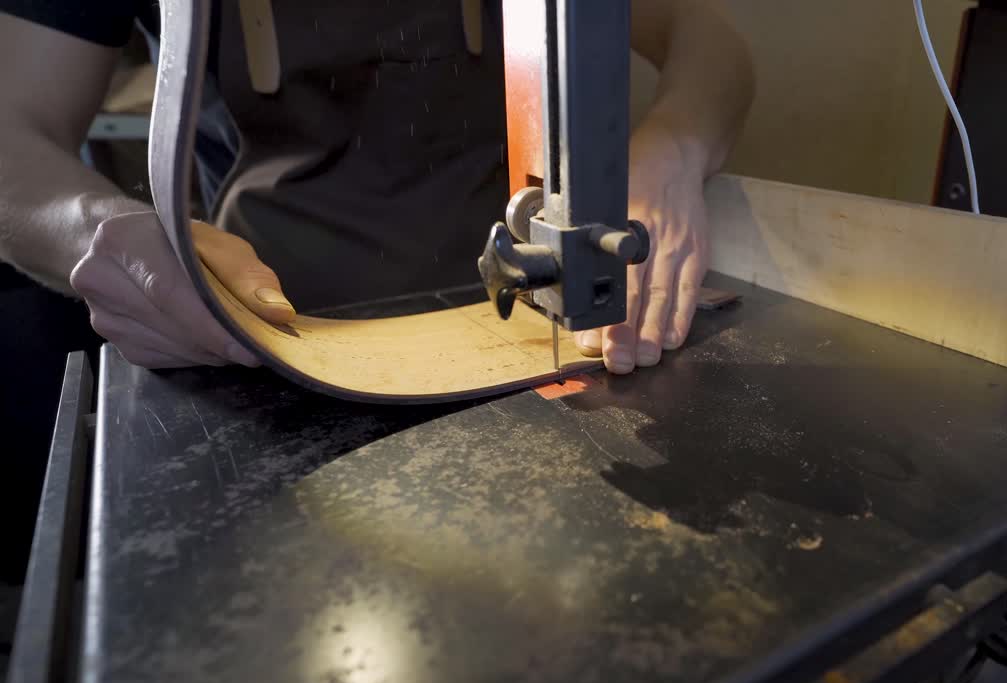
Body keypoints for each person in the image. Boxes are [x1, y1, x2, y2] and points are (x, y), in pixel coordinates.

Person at [0, 1, 753, 579]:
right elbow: (13, 138)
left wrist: (675, 144)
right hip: (267, 351)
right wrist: (97, 226)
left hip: (526, 322)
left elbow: (703, 37)